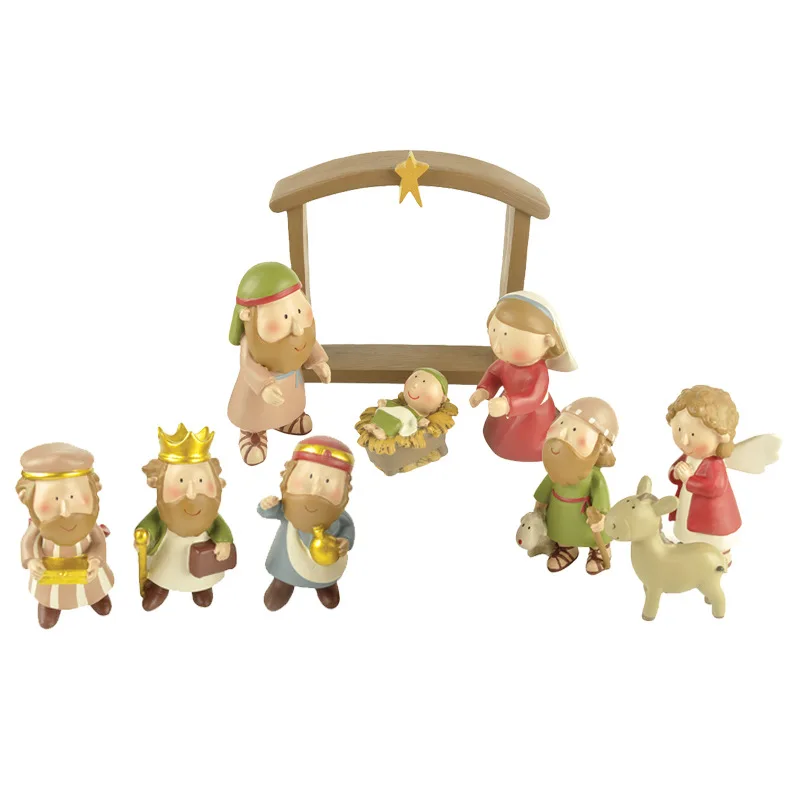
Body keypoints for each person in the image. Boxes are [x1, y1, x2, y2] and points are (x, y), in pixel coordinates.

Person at [228, 262, 331, 465]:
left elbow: (309, 344)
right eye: (284, 317)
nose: (298, 329)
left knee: (289, 404)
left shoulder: (301, 332)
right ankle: (253, 433)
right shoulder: (250, 342)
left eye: (299, 310)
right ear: (248, 316)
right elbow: (248, 366)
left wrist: (318, 361)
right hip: (259, 391)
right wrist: (264, 386)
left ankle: (287, 419)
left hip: (291, 381)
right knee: (257, 412)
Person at [470, 291, 576, 461]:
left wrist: (508, 405)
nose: (497, 347)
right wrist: (484, 390)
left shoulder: (538, 372)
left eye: (507, 337)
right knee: (498, 435)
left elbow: (533, 397)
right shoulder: (505, 363)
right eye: (494, 331)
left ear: (547, 341)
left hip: (532, 416)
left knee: (522, 443)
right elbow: (493, 375)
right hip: (505, 407)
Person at [17, 443, 114, 629]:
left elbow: (98, 542)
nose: (65, 512)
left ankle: (96, 596)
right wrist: (31, 561)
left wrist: (95, 560)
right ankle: (49, 604)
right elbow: (28, 543)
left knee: (93, 584)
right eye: (54, 500)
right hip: (49, 571)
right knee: (50, 591)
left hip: (87, 569)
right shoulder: (39, 525)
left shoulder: (87, 522)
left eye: (72, 498)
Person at [257, 436, 355, 611]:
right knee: (283, 574)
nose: (316, 488)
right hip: (286, 560)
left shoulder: (337, 515)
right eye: (309, 476)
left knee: (326, 575)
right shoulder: (287, 508)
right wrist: (267, 505)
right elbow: (268, 512)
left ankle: (325, 585)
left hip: (326, 561)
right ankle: (282, 584)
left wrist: (346, 541)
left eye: (327, 481)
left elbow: (347, 527)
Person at [534, 397, 618, 575]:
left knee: (593, 536)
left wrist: (600, 518)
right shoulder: (555, 474)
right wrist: (538, 510)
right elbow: (542, 496)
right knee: (562, 533)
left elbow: (601, 505)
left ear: (601, 447)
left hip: (586, 522)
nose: (562, 436)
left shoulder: (595, 477)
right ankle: (566, 548)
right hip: (560, 517)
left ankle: (599, 550)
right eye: (560, 424)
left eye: (574, 430)